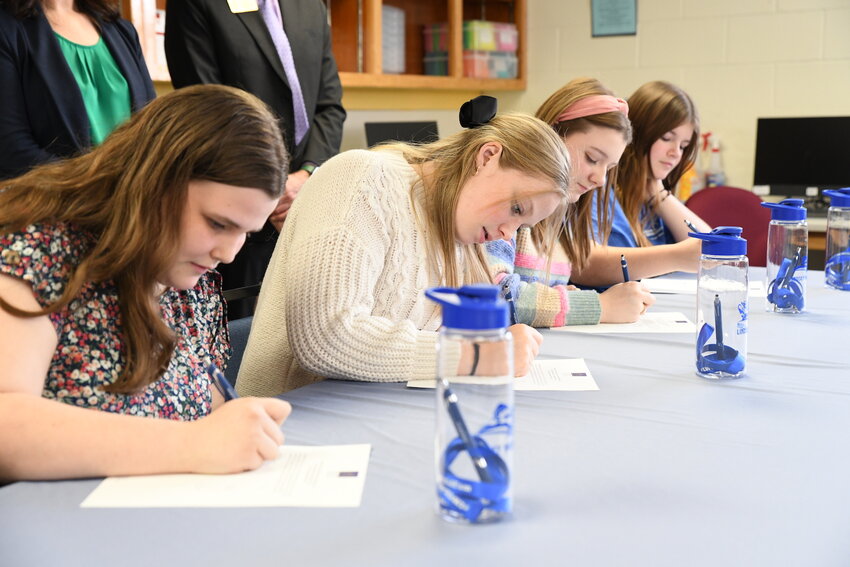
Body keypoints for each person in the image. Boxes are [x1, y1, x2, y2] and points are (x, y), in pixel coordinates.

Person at [0, 85, 292, 482]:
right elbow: (7, 422)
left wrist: (242, 426)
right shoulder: (38, 244)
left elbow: (207, 408)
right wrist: (193, 444)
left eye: (246, 233)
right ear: (154, 182)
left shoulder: (188, 281)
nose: (228, 253)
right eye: (217, 224)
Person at [237, 102, 571, 397]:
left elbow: (433, 342)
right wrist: (477, 354)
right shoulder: (361, 177)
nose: (506, 233)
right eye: (515, 209)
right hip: (292, 424)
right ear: (487, 157)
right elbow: (328, 337)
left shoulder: (464, 228)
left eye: (521, 225)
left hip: (381, 412)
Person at [165, 0, 346, 318]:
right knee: (240, 339)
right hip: (237, 211)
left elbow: (330, 106)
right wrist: (271, 188)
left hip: (305, 203)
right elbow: (206, 109)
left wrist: (306, 175)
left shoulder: (311, 6)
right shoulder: (196, 5)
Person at [486, 77, 655, 325]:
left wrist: (562, 298)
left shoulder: (562, 212)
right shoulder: (512, 204)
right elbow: (496, 295)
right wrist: (598, 306)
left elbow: (538, 289)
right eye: (592, 158)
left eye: (609, 167)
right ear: (553, 134)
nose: (599, 179)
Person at [570, 80, 712, 288]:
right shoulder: (597, 188)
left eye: (683, 146)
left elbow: (711, 250)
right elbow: (584, 264)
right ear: (636, 133)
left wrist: (660, 194)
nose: (676, 153)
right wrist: (676, 256)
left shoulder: (653, 195)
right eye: (666, 138)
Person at [0, 0, 156, 180]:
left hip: (137, 194)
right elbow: (11, 147)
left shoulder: (122, 30)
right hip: (61, 200)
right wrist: (92, 187)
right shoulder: (6, 28)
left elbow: (153, 125)